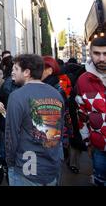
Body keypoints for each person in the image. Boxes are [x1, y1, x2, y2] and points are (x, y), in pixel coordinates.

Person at [5, 54, 64, 186]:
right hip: (51, 168)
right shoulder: (57, 94)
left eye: (15, 68)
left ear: (26, 72)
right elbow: (58, 135)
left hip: (25, 170)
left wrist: (10, 163)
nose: (12, 72)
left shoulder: (16, 96)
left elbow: (11, 135)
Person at [75, 36, 106, 186]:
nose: (101, 58)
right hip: (98, 149)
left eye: (105, 54)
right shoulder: (82, 81)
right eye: (97, 53)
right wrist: (88, 143)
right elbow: (82, 115)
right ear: (90, 53)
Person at [41, 56, 71, 185]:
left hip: (52, 139)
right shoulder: (50, 84)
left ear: (50, 70)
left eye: (41, 68)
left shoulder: (55, 87)